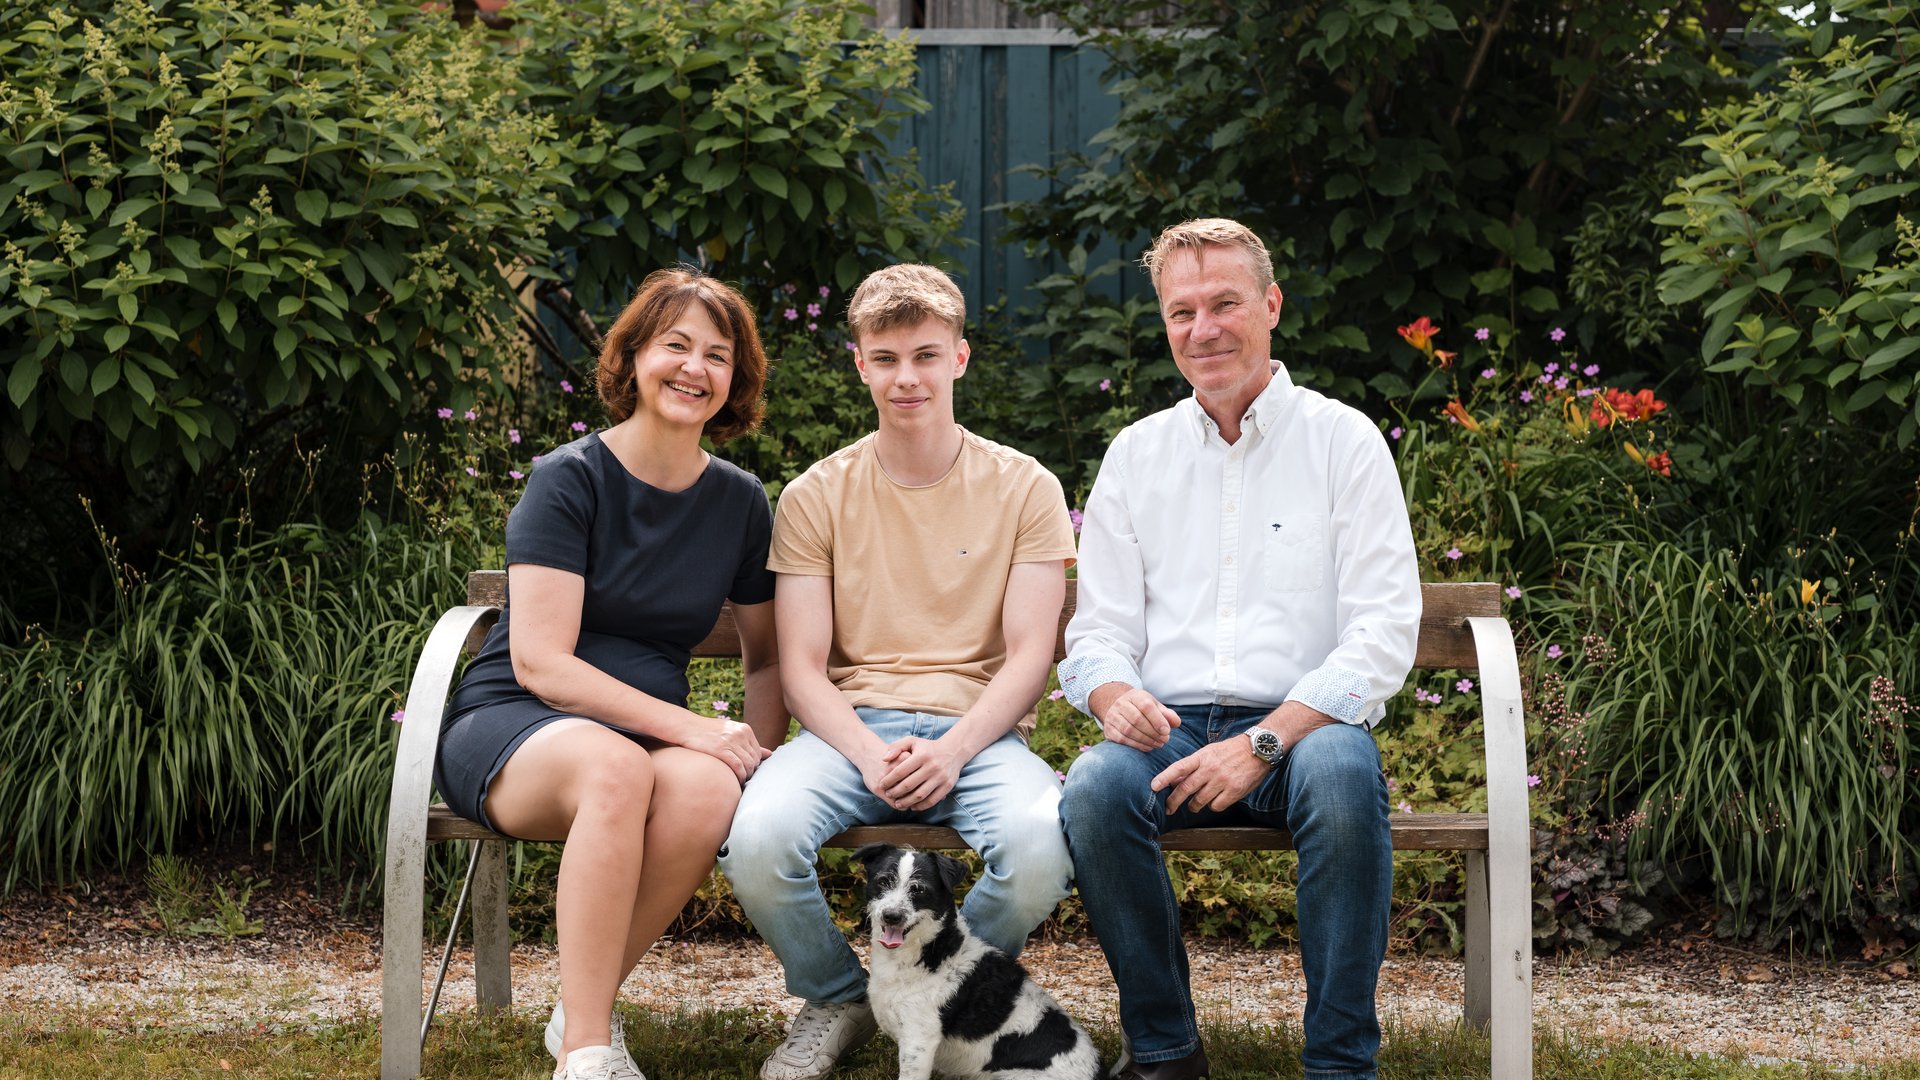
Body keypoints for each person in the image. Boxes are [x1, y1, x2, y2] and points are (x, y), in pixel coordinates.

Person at [1057, 218, 1421, 1080]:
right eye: (1182, 311)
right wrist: (1111, 693)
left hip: (1305, 731)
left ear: (1271, 305)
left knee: (1339, 771)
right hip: (1176, 734)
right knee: (1097, 785)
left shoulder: (1344, 441)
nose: (1204, 329)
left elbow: (1381, 631)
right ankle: (1165, 1052)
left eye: (1225, 303)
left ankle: (1339, 1063)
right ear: (1165, 323)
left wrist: (1265, 741)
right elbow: (1096, 630)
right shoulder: (1136, 455)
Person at [719, 263, 1079, 1080]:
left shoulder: (1025, 486)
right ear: (859, 364)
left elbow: (1029, 655)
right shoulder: (817, 493)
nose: (905, 377)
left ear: (960, 357)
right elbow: (801, 665)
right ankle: (843, 997)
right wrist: (868, 753)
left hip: (977, 735)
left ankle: (944, 992)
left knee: (1039, 847)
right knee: (757, 839)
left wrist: (952, 750)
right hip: (852, 731)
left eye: (924, 355)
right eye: (885, 358)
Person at [435, 268, 786, 1080]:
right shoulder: (570, 478)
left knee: (705, 789)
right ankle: (589, 1053)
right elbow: (541, 661)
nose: (694, 368)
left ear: (735, 380)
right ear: (631, 359)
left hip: (641, 737)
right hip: (515, 725)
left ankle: (575, 1012)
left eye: (717, 354)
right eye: (675, 346)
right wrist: (699, 728)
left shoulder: (739, 503)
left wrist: (756, 758)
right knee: (617, 768)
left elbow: (765, 655)